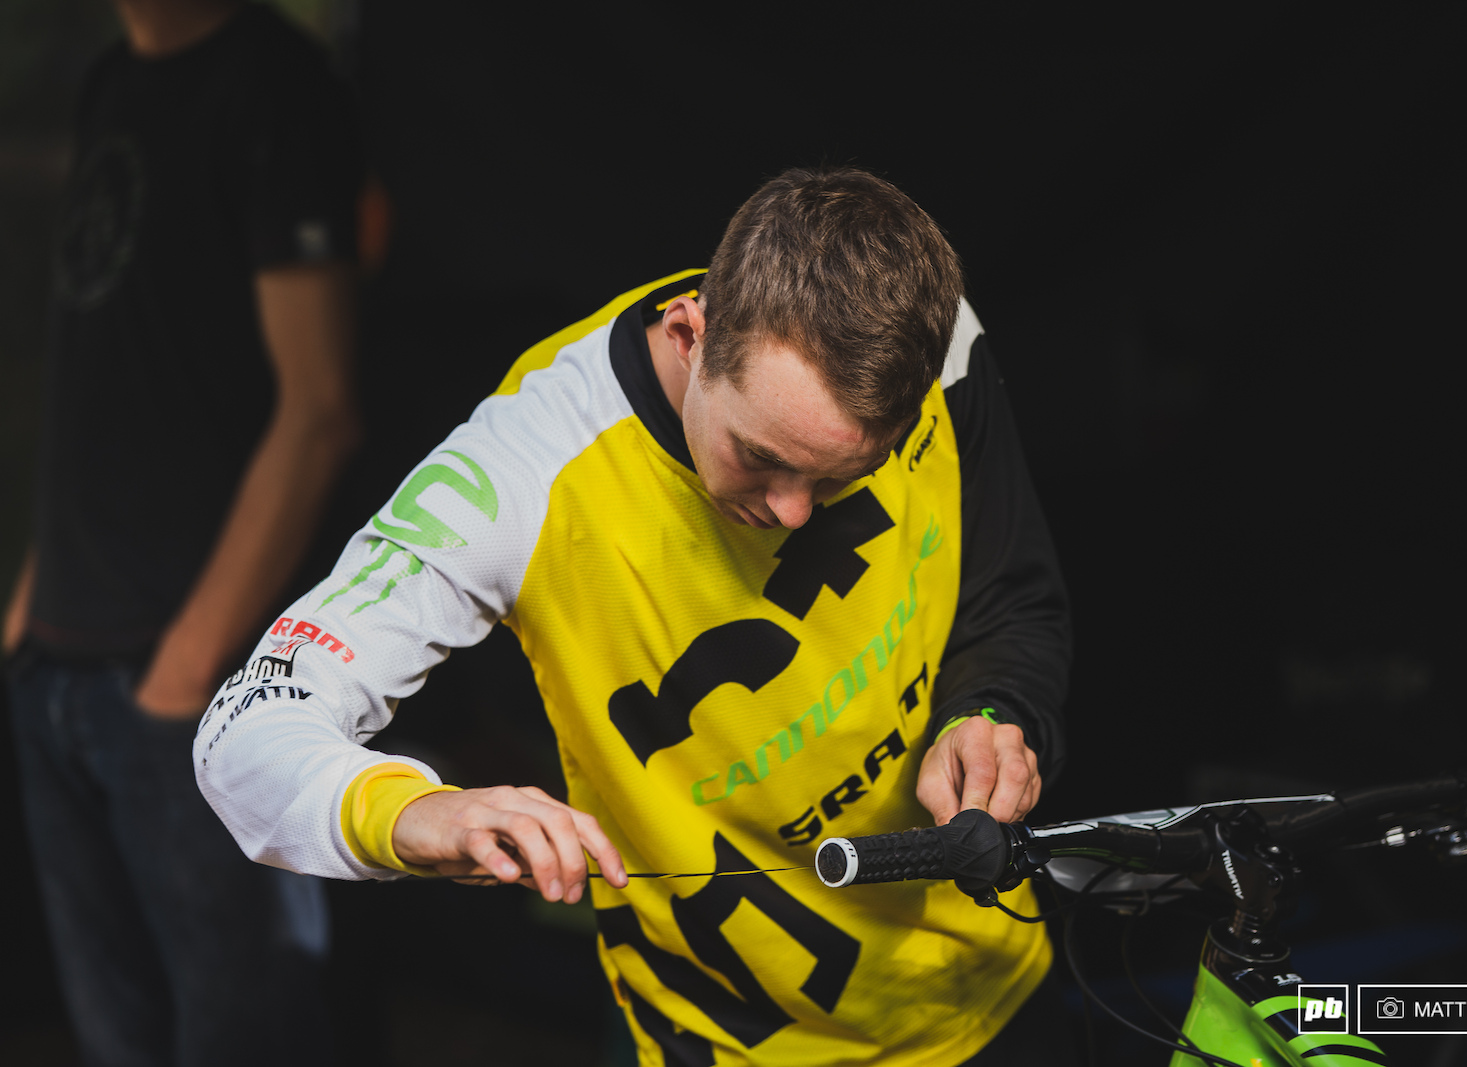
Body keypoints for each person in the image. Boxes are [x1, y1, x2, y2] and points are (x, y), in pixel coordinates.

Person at [195, 167, 1070, 1066]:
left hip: (992, 986)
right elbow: (242, 732)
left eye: (841, 477)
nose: (794, 510)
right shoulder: (518, 473)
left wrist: (994, 714)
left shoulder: (934, 340)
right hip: (733, 1038)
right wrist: (415, 813)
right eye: (760, 456)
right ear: (692, 332)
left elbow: (1010, 594)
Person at [2, 0, 361, 1063]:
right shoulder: (112, 79)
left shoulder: (277, 86)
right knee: (120, 1036)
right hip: (60, 667)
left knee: (250, 1036)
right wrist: (29, 615)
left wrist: (189, 664)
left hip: (191, 687)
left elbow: (322, 408)